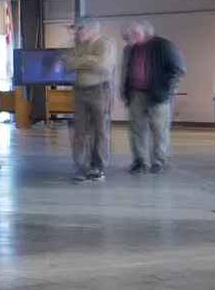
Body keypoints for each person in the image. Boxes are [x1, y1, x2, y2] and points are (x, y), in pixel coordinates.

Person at [121, 21, 185, 173]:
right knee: (137, 129)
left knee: (159, 129)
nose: (131, 37)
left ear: (145, 32)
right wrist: (125, 91)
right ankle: (141, 161)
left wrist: (169, 89)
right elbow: (126, 70)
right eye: (128, 34)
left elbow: (179, 69)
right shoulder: (129, 49)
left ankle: (159, 161)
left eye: (134, 33)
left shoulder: (164, 45)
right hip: (136, 93)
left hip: (159, 94)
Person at [60, 19, 117, 183]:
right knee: (80, 132)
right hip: (80, 92)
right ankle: (80, 167)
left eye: (81, 28)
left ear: (92, 29)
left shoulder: (105, 44)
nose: (77, 32)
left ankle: (98, 168)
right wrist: (89, 59)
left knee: (101, 131)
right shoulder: (80, 45)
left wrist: (81, 61)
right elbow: (68, 65)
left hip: (100, 92)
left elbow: (103, 66)